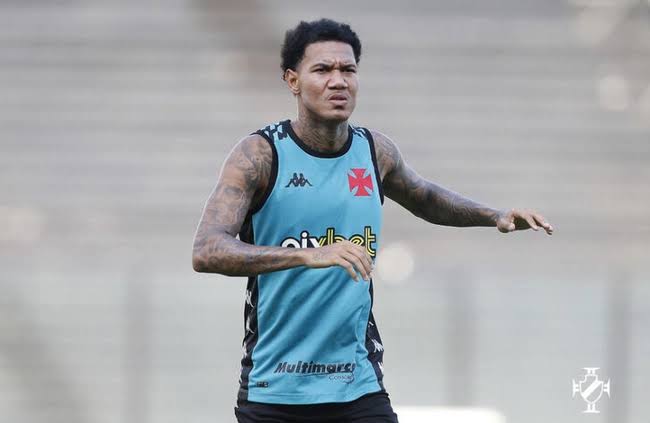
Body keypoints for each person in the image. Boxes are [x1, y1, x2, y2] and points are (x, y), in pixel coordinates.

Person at [192, 18, 553, 423]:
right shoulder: (260, 155)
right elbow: (206, 250)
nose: (338, 81)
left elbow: (425, 197)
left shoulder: (373, 151)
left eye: (348, 70)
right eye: (322, 70)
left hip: (357, 386)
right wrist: (306, 255)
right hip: (275, 390)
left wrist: (495, 215)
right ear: (293, 81)